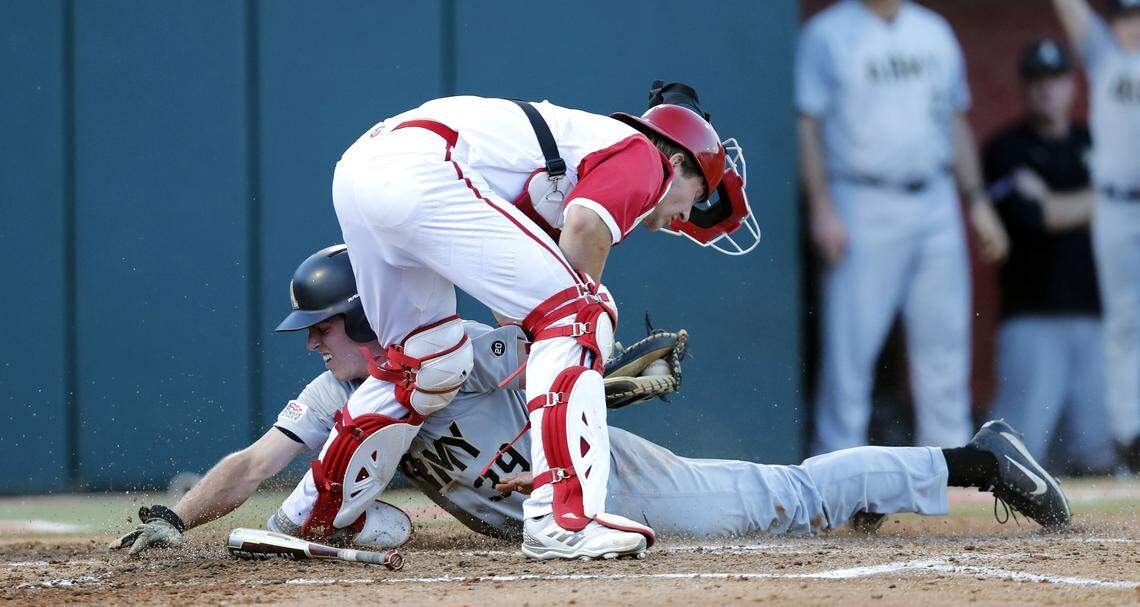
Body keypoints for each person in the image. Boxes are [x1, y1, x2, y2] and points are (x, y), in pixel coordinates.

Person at [111, 245, 1071, 558]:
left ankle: (975, 457)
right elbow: (253, 465)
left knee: (795, 498)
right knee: (795, 504)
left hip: (616, 486)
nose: (314, 346)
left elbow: (548, 351)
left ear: (364, 319)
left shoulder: (457, 348)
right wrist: (175, 516)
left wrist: (586, 385)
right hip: (548, 508)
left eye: (322, 329)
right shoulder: (341, 395)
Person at [318, 82, 761, 560]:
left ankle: (312, 516)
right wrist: (581, 342)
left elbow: (524, 331)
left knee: (424, 361)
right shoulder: (642, 154)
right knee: (583, 311)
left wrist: (556, 442)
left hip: (359, 169)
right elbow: (583, 247)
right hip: (422, 166)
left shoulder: (570, 165)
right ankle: (562, 517)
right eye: (698, 194)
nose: (687, 214)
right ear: (676, 163)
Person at [797, 0, 1010, 455]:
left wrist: (976, 201)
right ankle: (835, 461)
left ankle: (950, 462)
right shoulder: (828, 33)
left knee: (944, 341)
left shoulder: (933, 30)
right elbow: (807, 125)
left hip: (936, 196)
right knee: (851, 345)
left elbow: (954, 120)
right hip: (861, 195)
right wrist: (821, 206)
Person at [983, 39, 1116, 475]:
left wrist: (1059, 203)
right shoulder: (1005, 148)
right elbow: (1033, 219)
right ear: (1025, 87)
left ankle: (1097, 546)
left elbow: (1115, 207)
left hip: (1098, 314)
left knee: (1099, 448)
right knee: (1020, 448)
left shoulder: (1097, 140)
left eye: (1055, 79)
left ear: (1072, 85)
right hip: (1031, 313)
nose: (1047, 90)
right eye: (1037, 80)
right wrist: (1095, 200)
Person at [1053, 0, 1140, 472]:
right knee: (1124, 323)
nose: (1132, 25)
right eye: (1124, 16)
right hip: (1116, 204)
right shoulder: (1107, 57)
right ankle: (1129, 439)